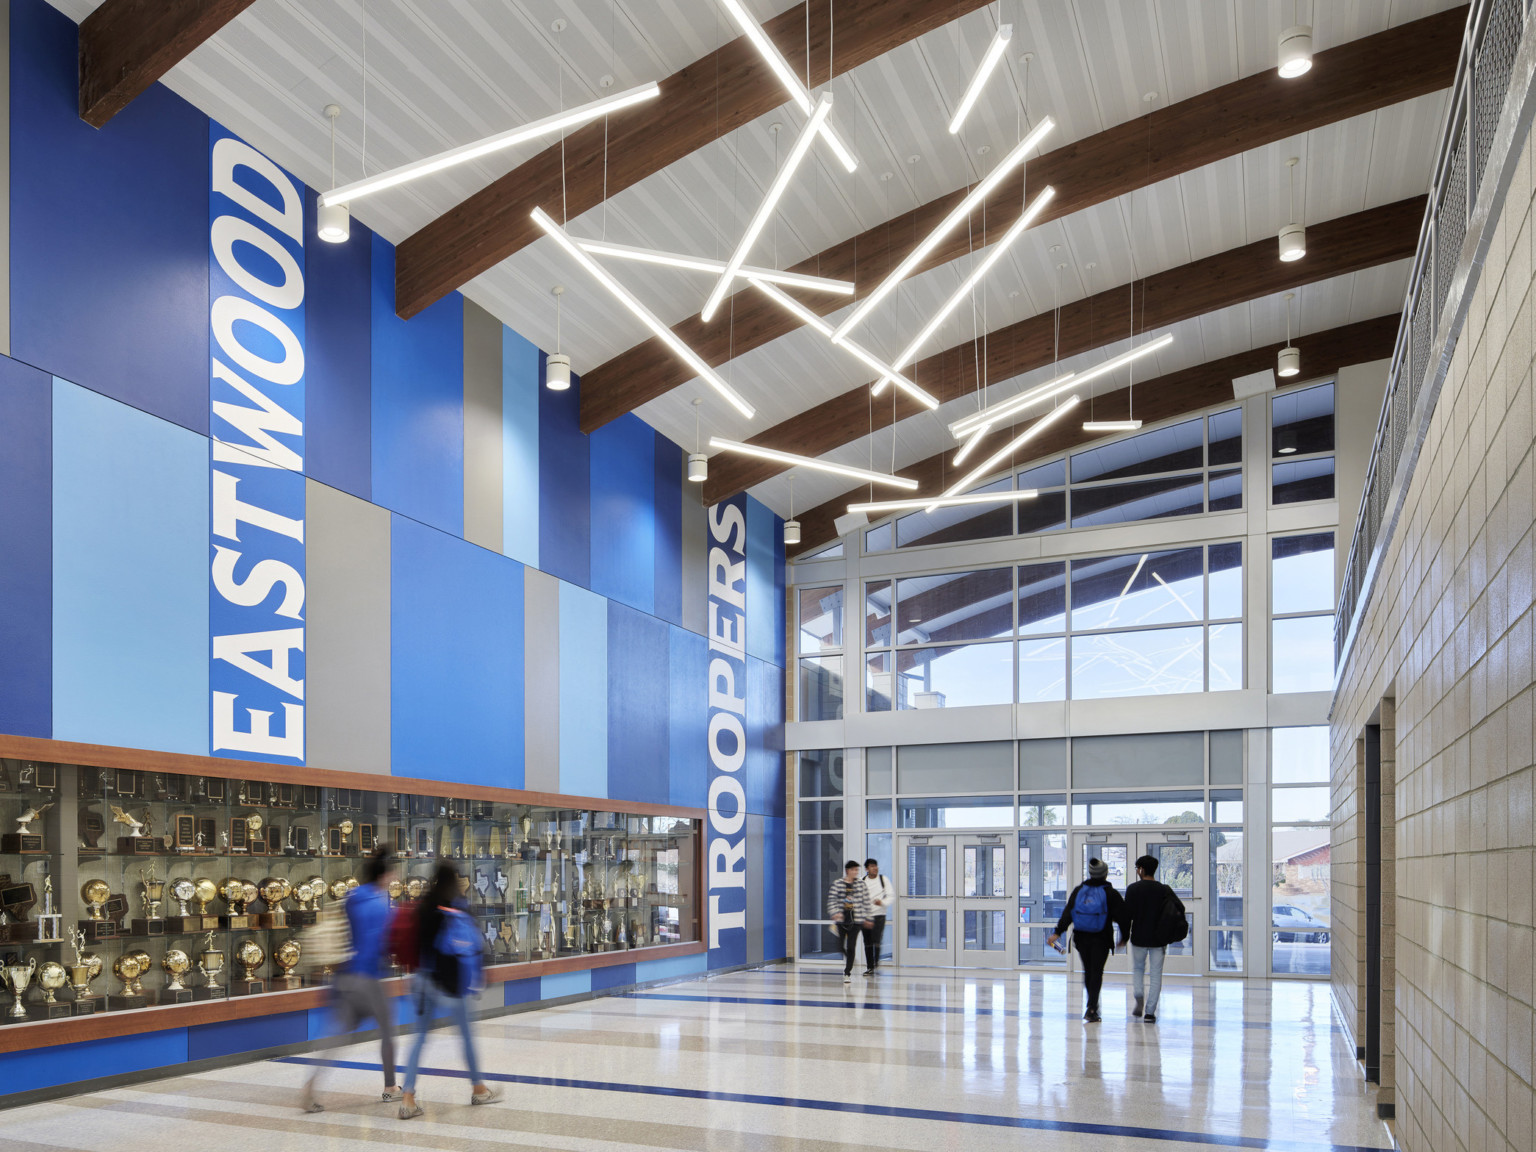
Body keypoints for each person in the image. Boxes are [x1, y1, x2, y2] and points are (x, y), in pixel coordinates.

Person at [299, 844, 402, 1112]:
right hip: (367, 978)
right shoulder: (380, 904)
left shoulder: (353, 896)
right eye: (393, 872)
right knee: (389, 1030)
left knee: (337, 1035)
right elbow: (379, 943)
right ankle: (391, 1086)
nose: (395, 878)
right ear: (385, 874)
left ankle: (312, 1084)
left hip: (344, 977)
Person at [399, 863, 502, 1119]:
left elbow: (415, 945)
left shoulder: (424, 907)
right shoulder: (458, 905)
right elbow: (475, 944)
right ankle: (479, 1088)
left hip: (425, 981)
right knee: (466, 1037)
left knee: (419, 1039)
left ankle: (408, 1097)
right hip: (454, 984)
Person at [1047, 857, 1128, 1023]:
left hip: (1081, 937)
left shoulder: (1079, 891)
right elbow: (1123, 916)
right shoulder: (1110, 893)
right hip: (1101, 938)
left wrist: (1058, 932)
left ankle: (1091, 1004)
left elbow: (1068, 912)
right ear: (1105, 874)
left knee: (1088, 970)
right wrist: (1124, 936)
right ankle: (1091, 1007)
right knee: (1097, 972)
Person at [1123, 855, 1172, 1023]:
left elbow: (1127, 916)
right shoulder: (1163, 890)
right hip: (1159, 939)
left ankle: (1138, 995)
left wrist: (1123, 936)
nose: (1137, 871)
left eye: (1137, 868)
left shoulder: (1133, 889)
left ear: (1141, 869)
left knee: (1138, 969)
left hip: (1138, 937)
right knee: (1156, 975)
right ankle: (1150, 1013)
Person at [826, 859, 874, 984]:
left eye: (857, 870)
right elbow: (831, 900)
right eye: (853, 870)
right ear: (848, 871)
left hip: (856, 920)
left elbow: (866, 902)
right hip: (841, 920)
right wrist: (835, 912)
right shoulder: (837, 884)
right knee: (840, 946)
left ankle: (847, 972)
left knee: (851, 946)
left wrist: (868, 918)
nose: (856, 872)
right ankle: (850, 959)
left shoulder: (861, 885)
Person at [862, 858, 893, 977]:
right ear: (866, 869)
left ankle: (875, 964)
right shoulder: (862, 881)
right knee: (867, 942)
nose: (875, 868)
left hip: (879, 915)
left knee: (876, 940)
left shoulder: (883, 879)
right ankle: (870, 967)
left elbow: (891, 896)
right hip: (866, 916)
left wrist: (882, 902)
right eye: (871, 866)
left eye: (876, 866)